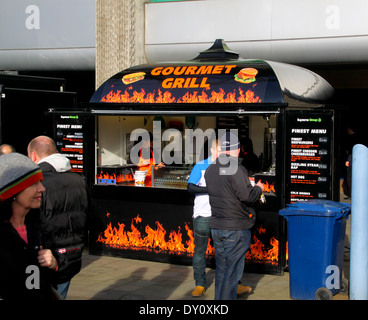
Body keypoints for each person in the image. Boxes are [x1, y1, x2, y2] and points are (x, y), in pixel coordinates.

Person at [205, 132, 264, 300]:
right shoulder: (235, 167)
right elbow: (247, 196)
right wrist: (259, 188)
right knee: (231, 275)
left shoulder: (211, 168)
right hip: (235, 228)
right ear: (237, 149)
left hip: (217, 226)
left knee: (222, 271)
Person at [27, 136, 88, 299]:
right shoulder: (78, 179)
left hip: (46, 257)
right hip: (72, 254)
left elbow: (35, 222)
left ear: (33, 156)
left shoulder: (38, 182)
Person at [0, 152, 60, 300]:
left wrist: (54, 264)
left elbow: (37, 281)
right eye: (34, 183)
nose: (42, 188)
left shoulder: (38, 226)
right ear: (13, 190)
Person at [187, 138, 220, 297]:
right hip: (202, 216)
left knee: (225, 252)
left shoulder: (226, 167)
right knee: (200, 251)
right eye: (221, 151)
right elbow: (191, 187)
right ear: (213, 150)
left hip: (221, 216)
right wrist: (211, 189)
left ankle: (234, 283)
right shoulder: (200, 166)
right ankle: (199, 284)